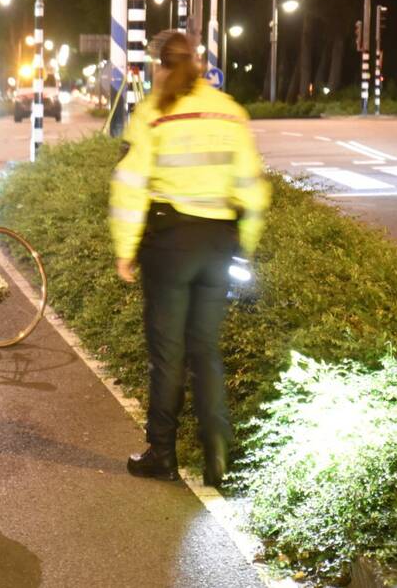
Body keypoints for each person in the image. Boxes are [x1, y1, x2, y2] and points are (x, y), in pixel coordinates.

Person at [108, 30, 271, 487]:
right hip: (218, 241)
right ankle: (218, 455)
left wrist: (125, 249)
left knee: (168, 354)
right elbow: (253, 188)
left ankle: (162, 454)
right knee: (206, 349)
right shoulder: (230, 112)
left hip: (169, 241)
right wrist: (245, 244)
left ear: (161, 66)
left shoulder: (154, 114)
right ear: (199, 64)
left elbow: (130, 185)